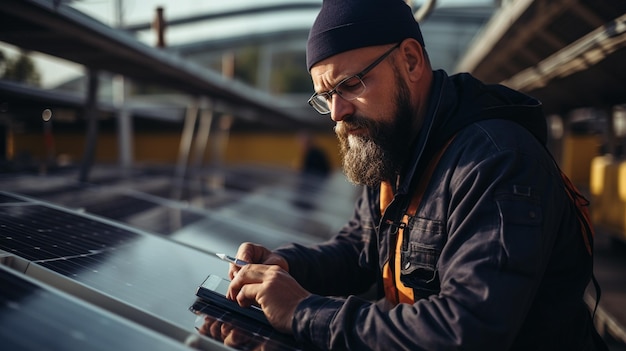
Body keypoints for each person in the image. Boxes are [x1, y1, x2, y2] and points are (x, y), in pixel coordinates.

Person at [225, 0, 609, 349]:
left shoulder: (497, 163)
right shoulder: (393, 144)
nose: (338, 112)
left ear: (410, 60)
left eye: (350, 85)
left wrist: (303, 311)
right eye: (326, 97)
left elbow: (466, 330)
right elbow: (361, 248)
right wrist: (286, 266)